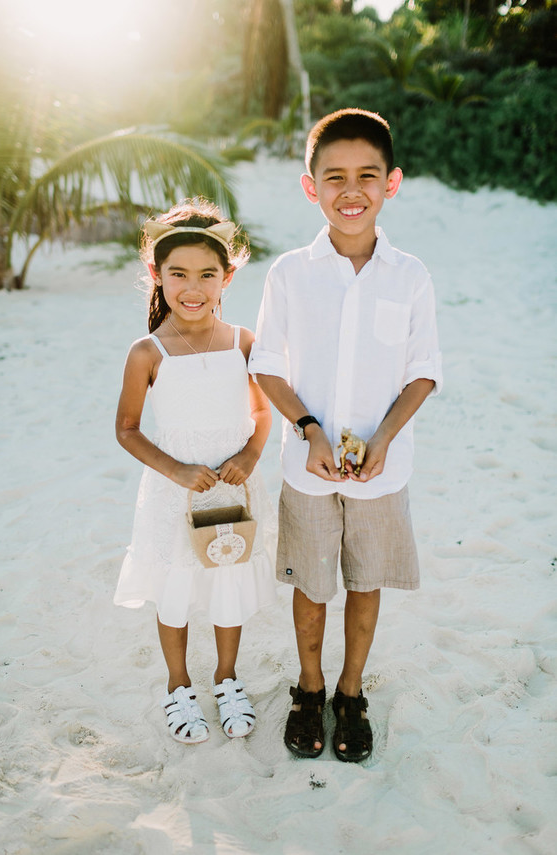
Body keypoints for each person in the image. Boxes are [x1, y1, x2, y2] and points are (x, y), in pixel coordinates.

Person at [249, 108, 442, 763]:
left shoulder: (410, 275)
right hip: (308, 466)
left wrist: (385, 437)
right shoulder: (288, 274)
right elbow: (267, 365)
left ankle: (351, 690)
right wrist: (308, 429)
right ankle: (310, 686)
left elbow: (423, 373)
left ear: (393, 182)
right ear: (311, 187)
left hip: (382, 467)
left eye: (368, 174)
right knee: (312, 584)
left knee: (366, 580)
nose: (351, 189)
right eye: (334, 177)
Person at [114, 200, 276, 745]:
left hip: (233, 487)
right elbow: (129, 429)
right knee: (177, 585)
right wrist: (177, 469)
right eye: (178, 274)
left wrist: (250, 456)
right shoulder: (147, 352)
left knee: (227, 577)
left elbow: (261, 412)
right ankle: (179, 683)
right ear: (157, 276)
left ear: (227, 277)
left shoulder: (242, 342)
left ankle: (227, 678)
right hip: (174, 490)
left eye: (207, 274)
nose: (193, 287)